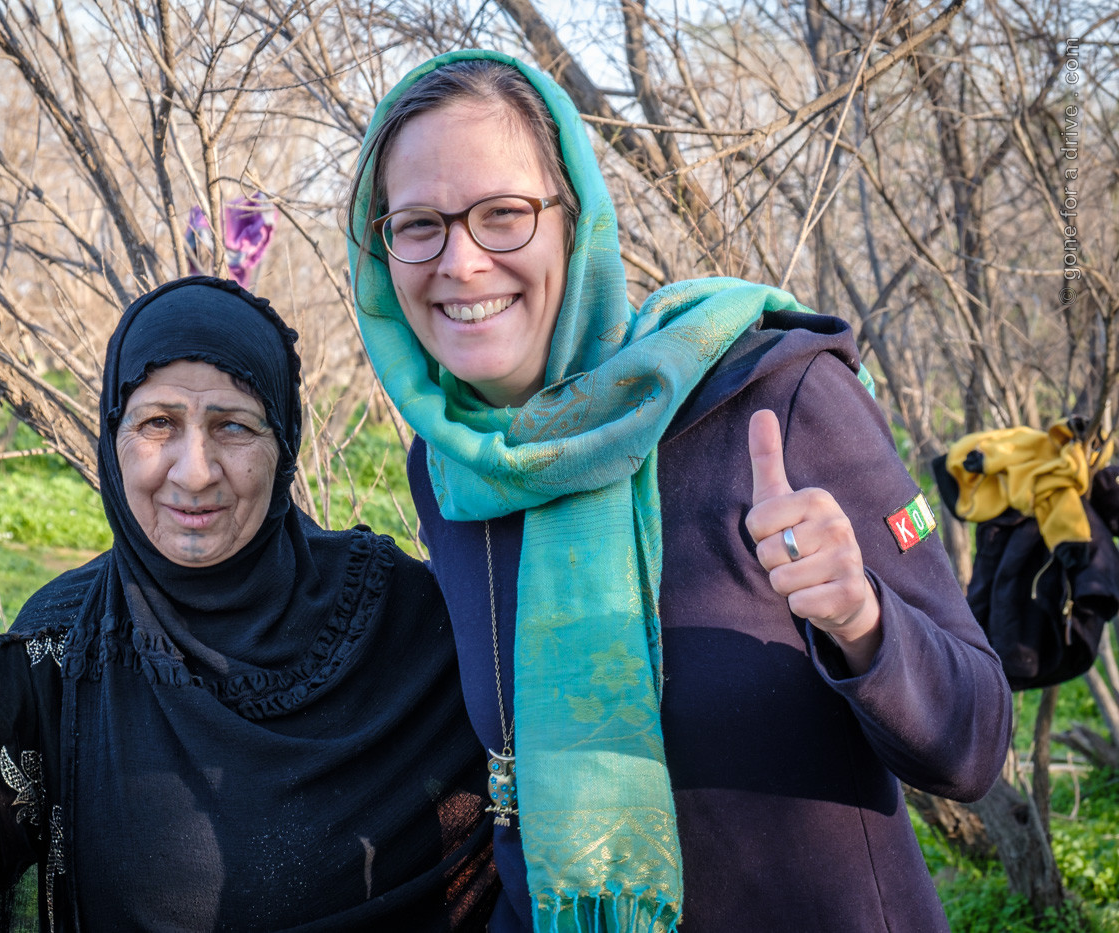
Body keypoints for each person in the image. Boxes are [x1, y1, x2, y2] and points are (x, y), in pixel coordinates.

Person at [346, 50, 1012, 933]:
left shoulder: (773, 393)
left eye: (503, 214)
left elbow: (974, 743)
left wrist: (863, 621)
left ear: (574, 221)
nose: (461, 262)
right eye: (419, 223)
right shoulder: (449, 477)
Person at [0, 275, 497, 931]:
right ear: (113, 439)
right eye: (159, 423)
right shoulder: (64, 648)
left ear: (283, 443)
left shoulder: (404, 618)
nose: (193, 471)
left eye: (233, 425)